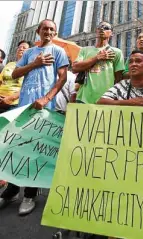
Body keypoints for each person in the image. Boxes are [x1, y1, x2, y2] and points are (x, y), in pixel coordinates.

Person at [0, 19, 69, 216]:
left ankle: (30, 195)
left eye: (52, 29)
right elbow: (14, 74)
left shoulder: (58, 51)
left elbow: (62, 78)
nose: (48, 31)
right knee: (15, 148)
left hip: (44, 109)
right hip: (23, 108)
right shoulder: (29, 53)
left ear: (55, 33)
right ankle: (11, 191)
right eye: (45, 28)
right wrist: (35, 63)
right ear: (38, 31)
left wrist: (46, 98)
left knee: (36, 152)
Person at [72, 21, 125, 104]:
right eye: (99, 27)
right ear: (96, 31)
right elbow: (75, 68)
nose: (102, 29)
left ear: (111, 33)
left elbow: (118, 79)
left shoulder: (117, 52)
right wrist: (97, 57)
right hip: (83, 99)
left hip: (106, 100)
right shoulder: (85, 50)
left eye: (106, 28)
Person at [0, 40, 32, 113]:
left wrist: (10, 98)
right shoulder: (9, 64)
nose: (21, 49)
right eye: (19, 47)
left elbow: (28, 88)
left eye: (24, 48)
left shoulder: (30, 67)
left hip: (14, 103)